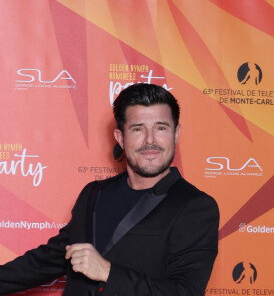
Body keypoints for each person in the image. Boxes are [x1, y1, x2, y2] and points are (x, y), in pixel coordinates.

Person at [0, 83, 219, 296]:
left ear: (176, 134)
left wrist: (107, 272)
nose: (150, 140)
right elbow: (51, 259)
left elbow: (186, 291)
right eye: (138, 129)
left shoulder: (195, 206)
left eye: (161, 128)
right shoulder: (94, 194)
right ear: (120, 138)